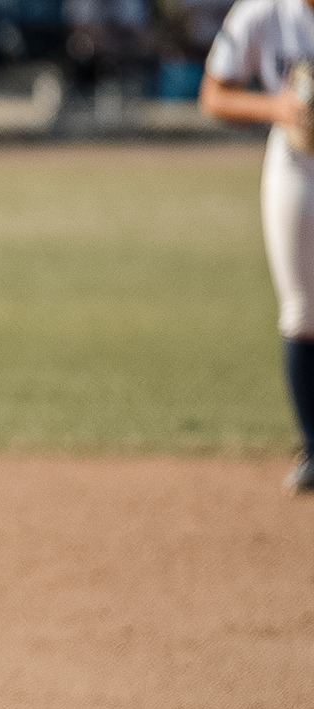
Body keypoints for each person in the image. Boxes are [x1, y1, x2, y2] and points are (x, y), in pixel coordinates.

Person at [199, 0, 314, 493]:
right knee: (303, 311)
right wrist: (278, 107)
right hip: (297, 163)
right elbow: (213, 94)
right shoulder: (263, 13)